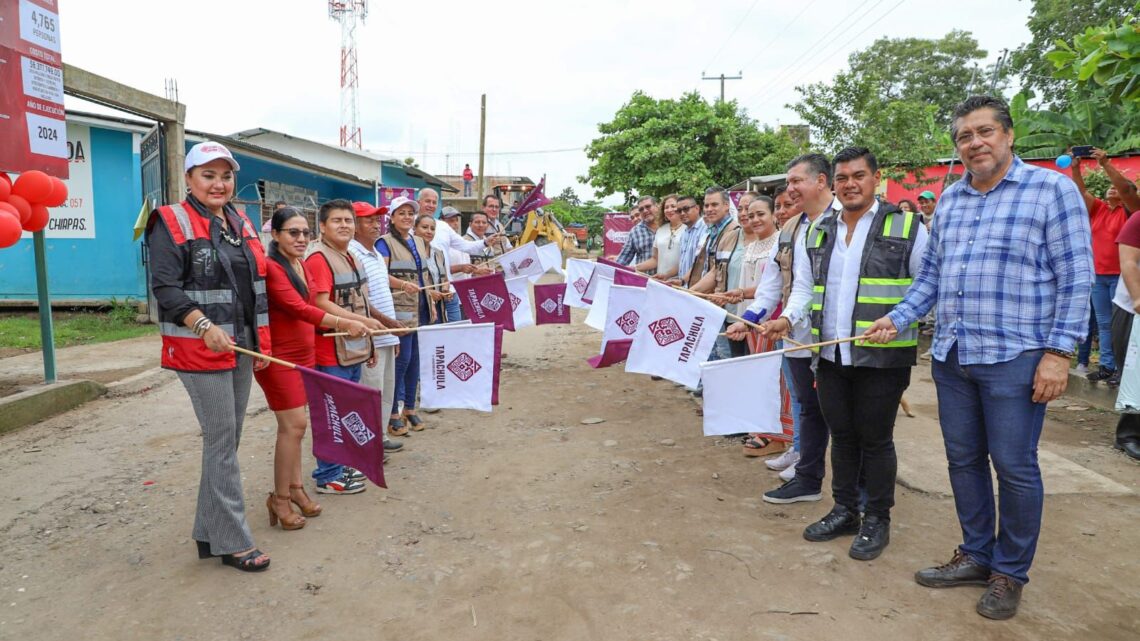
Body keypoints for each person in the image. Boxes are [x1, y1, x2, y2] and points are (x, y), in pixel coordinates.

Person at [864, 95, 1094, 620]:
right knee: (963, 460)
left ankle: (1009, 572)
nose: (975, 143)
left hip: (1016, 355)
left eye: (985, 131)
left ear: (1009, 135)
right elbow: (932, 278)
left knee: (1014, 466)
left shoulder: (1051, 191)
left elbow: (1077, 277)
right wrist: (897, 319)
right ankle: (975, 553)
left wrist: (1059, 353)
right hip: (953, 353)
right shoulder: (951, 199)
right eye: (965, 136)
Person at [783, 147, 929, 562]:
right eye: (843, 177)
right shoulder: (816, 230)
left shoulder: (908, 226)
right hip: (830, 355)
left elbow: (926, 284)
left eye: (859, 176)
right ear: (833, 182)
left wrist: (898, 320)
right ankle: (845, 509)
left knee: (876, 439)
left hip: (884, 358)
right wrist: (787, 319)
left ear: (875, 178)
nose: (850, 184)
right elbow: (803, 288)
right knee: (843, 438)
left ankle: (877, 518)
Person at [147, 141, 273, 572]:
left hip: (239, 346)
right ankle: (234, 540)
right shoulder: (169, 221)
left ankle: (208, 532)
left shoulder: (240, 222)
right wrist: (202, 324)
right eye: (208, 174)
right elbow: (165, 287)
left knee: (227, 441)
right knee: (221, 441)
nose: (219, 183)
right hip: (199, 349)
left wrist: (261, 343)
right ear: (188, 179)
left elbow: (257, 285)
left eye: (225, 175)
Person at [255, 207, 376, 530]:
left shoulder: (298, 264)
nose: (301, 238)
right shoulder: (273, 267)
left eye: (305, 233)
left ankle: (294, 489)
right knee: (293, 426)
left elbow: (310, 305)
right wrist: (346, 322)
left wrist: (354, 322)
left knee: (298, 427)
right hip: (280, 358)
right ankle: (279, 498)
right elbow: (299, 308)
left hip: (304, 353)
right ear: (276, 235)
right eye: (293, 233)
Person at [305, 199, 382, 495]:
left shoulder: (351, 256)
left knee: (348, 411)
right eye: (336, 221)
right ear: (322, 226)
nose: (344, 226)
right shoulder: (319, 259)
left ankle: (342, 464)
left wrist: (369, 342)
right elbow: (320, 303)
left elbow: (361, 302)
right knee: (331, 414)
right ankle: (327, 476)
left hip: (354, 349)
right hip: (330, 351)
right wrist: (358, 322)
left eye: (348, 221)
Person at [1071, 147, 1140, 385]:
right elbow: (1079, 191)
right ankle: (1107, 367)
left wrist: (1106, 164)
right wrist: (1075, 168)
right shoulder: (1099, 209)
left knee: (1121, 325)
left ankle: (1123, 369)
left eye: (1116, 188)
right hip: (1098, 276)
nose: (1112, 189)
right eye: (1109, 187)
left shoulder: (1130, 212)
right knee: (1104, 324)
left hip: (1121, 279)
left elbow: (1126, 189)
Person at [378, 196, 445, 435]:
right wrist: (401, 284)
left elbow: (424, 274)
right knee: (402, 360)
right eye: (402, 213)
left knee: (416, 359)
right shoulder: (384, 243)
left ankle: (410, 408)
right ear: (392, 217)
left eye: (410, 213)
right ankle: (393, 412)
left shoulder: (417, 241)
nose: (407, 217)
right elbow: (380, 275)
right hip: (400, 309)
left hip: (422, 307)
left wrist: (432, 303)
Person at [347, 201, 409, 453]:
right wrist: (389, 325)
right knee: (370, 391)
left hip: (385, 335)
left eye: (377, 220)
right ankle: (366, 445)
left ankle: (379, 438)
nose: (375, 224)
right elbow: (361, 301)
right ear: (354, 225)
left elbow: (382, 291)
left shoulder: (373, 253)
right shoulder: (352, 253)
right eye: (368, 220)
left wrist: (391, 336)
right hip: (370, 335)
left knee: (385, 391)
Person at [1110, 207, 1140, 460]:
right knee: (1135, 372)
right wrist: (1137, 297)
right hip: (1133, 308)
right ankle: (1128, 434)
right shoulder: (1138, 219)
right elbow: (1128, 260)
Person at [414, 213, 453, 323]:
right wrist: (429, 293)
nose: (429, 231)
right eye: (424, 227)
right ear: (414, 229)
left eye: (432, 229)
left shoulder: (438, 253)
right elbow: (406, 283)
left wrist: (445, 290)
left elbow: (445, 279)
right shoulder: (409, 253)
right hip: (419, 310)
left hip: (439, 310)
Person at [634, 194, 683, 279]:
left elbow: (686, 261)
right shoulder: (660, 230)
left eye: (673, 206)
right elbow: (655, 260)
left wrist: (667, 275)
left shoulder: (689, 229)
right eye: (666, 207)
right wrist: (634, 268)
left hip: (681, 283)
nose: (669, 210)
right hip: (661, 282)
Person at [665, 196, 706, 288]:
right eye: (679, 211)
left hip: (698, 289)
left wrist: (683, 281)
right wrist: (665, 276)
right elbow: (683, 263)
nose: (682, 213)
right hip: (684, 288)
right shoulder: (684, 233)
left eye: (686, 209)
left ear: (697, 208)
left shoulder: (705, 228)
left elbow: (701, 263)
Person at [615, 196, 658, 267]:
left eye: (648, 206)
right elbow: (623, 258)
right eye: (641, 209)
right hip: (644, 277)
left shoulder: (668, 226)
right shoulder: (635, 232)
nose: (645, 210)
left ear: (657, 206)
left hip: (670, 277)